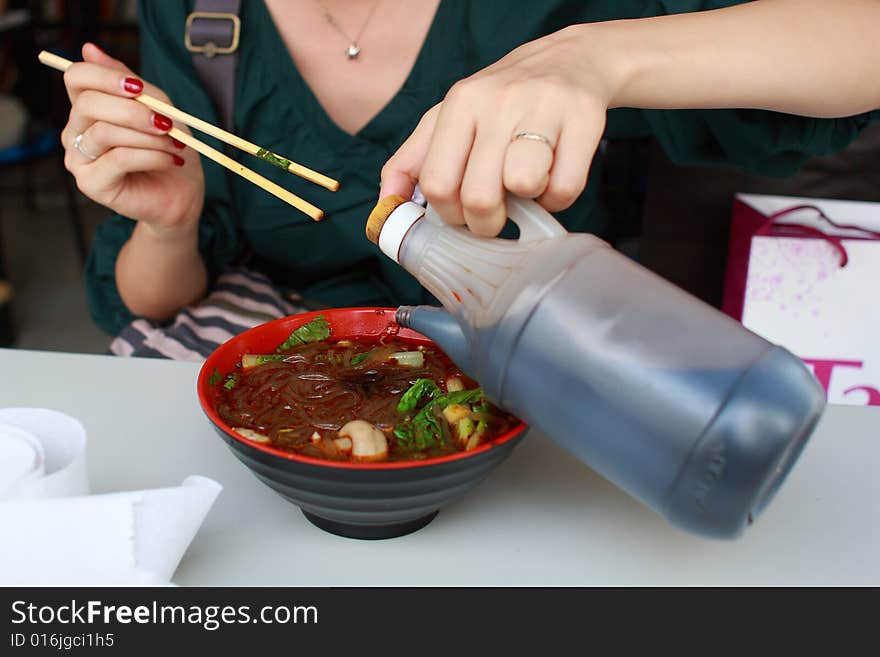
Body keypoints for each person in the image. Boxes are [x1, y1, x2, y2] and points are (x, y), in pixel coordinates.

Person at [60, 0, 880, 359]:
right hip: (277, 401)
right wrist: (169, 223)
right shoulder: (200, 14)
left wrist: (594, 57)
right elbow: (158, 309)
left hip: (529, 394)